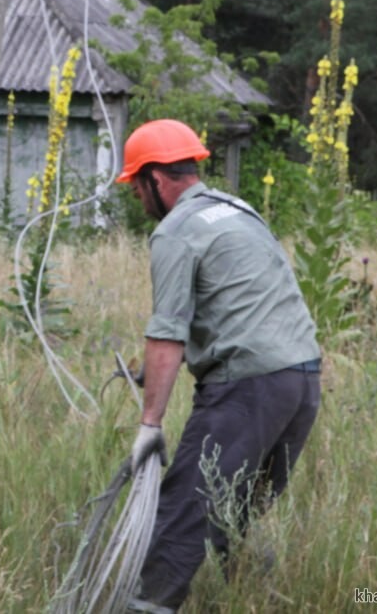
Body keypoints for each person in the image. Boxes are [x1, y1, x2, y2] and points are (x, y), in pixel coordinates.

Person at [117, 119, 322, 613]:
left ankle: (146, 607)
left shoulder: (175, 231)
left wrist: (150, 425)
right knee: (235, 518)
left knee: (183, 515)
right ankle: (255, 601)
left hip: (246, 390)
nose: (138, 200)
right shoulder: (238, 211)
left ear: (156, 180)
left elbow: (167, 332)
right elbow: (242, 304)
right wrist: (153, 369)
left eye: (137, 188)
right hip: (302, 382)